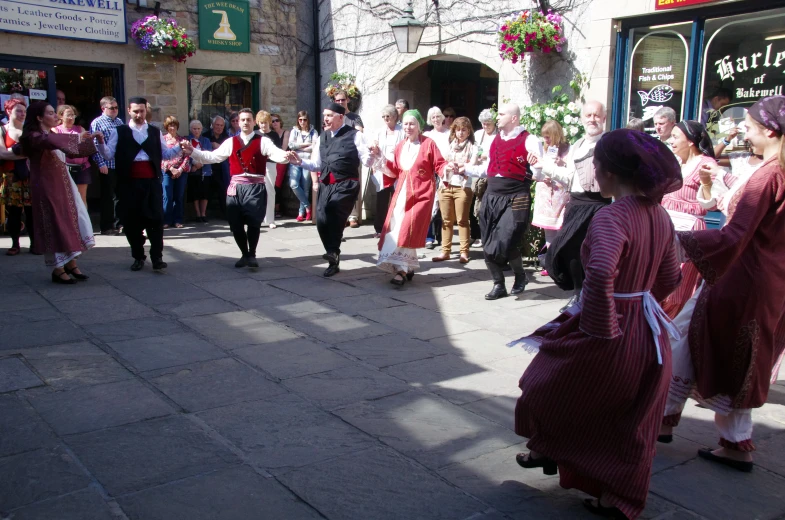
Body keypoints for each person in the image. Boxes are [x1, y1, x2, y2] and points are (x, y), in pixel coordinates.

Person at [511, 128, 683, 520]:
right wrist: (641, 300)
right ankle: (555, 456)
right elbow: (671, 278)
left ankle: (572, 467)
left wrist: (603, 325)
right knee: (627, 414)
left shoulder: (611, 216)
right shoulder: (659, 215)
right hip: (645, 329)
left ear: (605, 171)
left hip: (610, 327)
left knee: (543, 385)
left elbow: (603, 270)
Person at [660, 96, 785, 473]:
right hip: (760, 277)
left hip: (742, 278)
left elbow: (736, 234)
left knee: (730, 352)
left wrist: (679, 242)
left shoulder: (768, 175)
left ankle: (725, 440)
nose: (741, 131)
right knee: (692, 337)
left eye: (748, 126)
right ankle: (667, 418)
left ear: (770, 130)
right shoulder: (773, 170)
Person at [183, 108, 291, 268]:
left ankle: (252, 254)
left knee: (254, 222)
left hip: (255, 187)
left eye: (249, 119)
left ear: (254, 122)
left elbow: (275, 153)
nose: (246, 122)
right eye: (243, 120)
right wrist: (193, 152)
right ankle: (244, 254)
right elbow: (213, 157)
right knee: (236, 224)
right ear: (238, 123)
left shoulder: (263, 141)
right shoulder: (230, 142)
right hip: (235, 188)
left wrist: (286, 156)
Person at [96, 97, 184, 272]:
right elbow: (108, 155)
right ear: (129, 111)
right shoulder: (119, 131)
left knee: (156, 221)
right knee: (132, 223)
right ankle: (138, 256)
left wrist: (181, 148)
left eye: (142, 111)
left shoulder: (154, 132)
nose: (139, 114)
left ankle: (157, 258)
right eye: (135, 111)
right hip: (129, 184)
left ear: (146, 111)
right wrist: (99, 143)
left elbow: (165, 154)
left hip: (151, 184)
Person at [464, 103, 542, 299]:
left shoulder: (530, 140)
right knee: (488, 241)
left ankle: (520, 275)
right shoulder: (494, 140)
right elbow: (486, 170)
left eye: (501, 114)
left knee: (506, 239)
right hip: (491, 196)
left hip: (516, 196)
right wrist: (463, 168)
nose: (497, 118)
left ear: (514, 118)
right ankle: (498, 284)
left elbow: (539, 173)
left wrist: (537, 167)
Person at [290, 102, 376, 277]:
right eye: (324, 115)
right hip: (326, 184)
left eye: (329, 115)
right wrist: (300, 162)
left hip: (346, 184)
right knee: (321, 219)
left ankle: (332, 251)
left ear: (340, 117)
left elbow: (366, 160)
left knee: (334, 209)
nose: (325, 119)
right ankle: (333, 255)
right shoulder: (322, 137)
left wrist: (372, 155)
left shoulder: (355, 135)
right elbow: (316, 164)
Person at [19, 102, 99, 284]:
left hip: (62, 183)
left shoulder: (50, 135)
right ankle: (58, 268)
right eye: (50, 113)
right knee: (54, 223)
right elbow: (52, 142)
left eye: (55, 112)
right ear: (39, 118)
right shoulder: (35, 137)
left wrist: (89, 139)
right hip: (46, 186)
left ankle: (71, 264)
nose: (55, 115)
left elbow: (73, 150)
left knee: (70, 220)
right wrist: (79, 137)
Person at [541, 101, 611, 305]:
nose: (592, 119)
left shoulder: (608, 142)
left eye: (596, 116)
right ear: (582, 119)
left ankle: (594, 295)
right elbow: (570, 177)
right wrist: (547, 168)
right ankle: (577, 293)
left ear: (604, 118)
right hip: (576, 203)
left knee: (596, 252)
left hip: (599, 203)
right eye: (588, 115)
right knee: (570, 248)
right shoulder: (578, 145)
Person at [376, 110, 448, 284]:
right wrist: (380, 159)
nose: (408, 127)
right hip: (401, 193)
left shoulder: (428, 144)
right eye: (406, 124)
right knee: (398, 227)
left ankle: (400, 271)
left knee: (406, 227)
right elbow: (395, 170)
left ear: (419, 126)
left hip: (421, 194)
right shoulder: (400, 145)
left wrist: (448, 169)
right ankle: (407, 267)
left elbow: (440, 164)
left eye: (412, 124)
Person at [660, 120, 722, 318]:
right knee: (659, 283)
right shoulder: (676, 162)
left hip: (689, 230)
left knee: (677, 288)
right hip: (667, 229)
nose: (671, 141)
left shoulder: (707, 164)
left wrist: (706, 186)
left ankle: (671, 334)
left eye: (676, 137)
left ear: (691, 141)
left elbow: (713, 203)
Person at [530, 120, 571, 277]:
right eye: (544, 137)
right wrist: (541, 177)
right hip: (547, 196)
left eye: (548, 137)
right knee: (548, 232)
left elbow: (570, 173)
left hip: (560, 196)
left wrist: (561, 164)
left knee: (562, 229)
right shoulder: (544, 150)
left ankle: (560, 263)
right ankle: (550, 262)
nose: (546, 140)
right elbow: (536, 174)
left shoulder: (568, 150)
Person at [433, 116, 476, 264]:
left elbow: (474, 167)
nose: (461, 133)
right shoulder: (449, 145)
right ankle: (445, 251)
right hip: (446, 185)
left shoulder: (473, 147)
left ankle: (464, 252)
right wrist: (448, 166)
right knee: (446, 220)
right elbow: (441, 163)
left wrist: (463, 167)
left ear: (469, 131)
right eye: (458, 130)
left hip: (463, 187)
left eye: (464, 130)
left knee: (462, 221)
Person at [1, 98, 34, 256]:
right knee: (13, 212)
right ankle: (15, 244)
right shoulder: (2, 130)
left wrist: (12, 154)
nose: (22, 114)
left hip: (30, 176)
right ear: (8, 111)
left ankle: (35, 243)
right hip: (11, 178)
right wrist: (26, 154)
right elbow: (1, 153)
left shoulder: (29, 131)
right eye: (18, 111)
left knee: (32, 212)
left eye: (24, 111)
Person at [90, 96, 124, 236]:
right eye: (112, 108)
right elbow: (94, 146)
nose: (115, 110)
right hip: (107, 165)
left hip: (119, 164)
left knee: (120, 196)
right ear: (103, 108)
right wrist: (101, 163)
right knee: (107, 197)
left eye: (116, 107)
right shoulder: (97, 123)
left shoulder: (120, 122)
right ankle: (106, 226)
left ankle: (119, 223)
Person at [332, 89, 364, 228]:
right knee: (339, 187)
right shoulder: (333, 116)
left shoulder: (354, 117)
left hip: (352, 156)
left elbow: (359, 132)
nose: (340, 102)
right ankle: (342, 216)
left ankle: (353, 216)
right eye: (338, 100)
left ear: (348, 100)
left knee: (352, 186)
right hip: (338, 157)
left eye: (342, 100)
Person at [370, 104, 403, 237]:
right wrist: (374, 150)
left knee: (398, 200)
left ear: (395, 117)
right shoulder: (379, 131)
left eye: (388, 116)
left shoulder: (402, 131)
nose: (385, 119)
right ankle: (380, 228)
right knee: (382, 200)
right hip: (383, 169)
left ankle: (397, 227)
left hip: (398, 168)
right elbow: (374, 148)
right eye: (383, 117)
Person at [53, 105, 92, 207]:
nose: (72, 118)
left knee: (81, 197)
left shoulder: (80, 128)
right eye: (68, 115)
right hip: (65, 169)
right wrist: (78, 138)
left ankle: (83, 222)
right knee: (66, 197)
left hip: (82, 168)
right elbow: (61, 145)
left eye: (73, 115)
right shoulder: (56, 130)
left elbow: (86, 146)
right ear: (61, 116)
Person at [423, 107, 450, 249]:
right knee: (431, 205)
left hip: (446, 173)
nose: (436, 119)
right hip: (431, 173)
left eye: (438, 116)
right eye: (432, 117)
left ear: (442, 117)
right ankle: (429, 237)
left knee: (444, 207)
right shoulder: (427, 135)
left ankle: (444, 238)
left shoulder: (450, 134)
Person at [471, 109, 497, 248]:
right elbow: (474, 152)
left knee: (490, 207)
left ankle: (490, 236)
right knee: (478, 206)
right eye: (483, 123)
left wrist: (488, 156)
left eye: (488, 123)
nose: (485, 126)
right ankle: (480, 236)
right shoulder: (478, 134)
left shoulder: (498, 135)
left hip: (491, 174)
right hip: (478, 174)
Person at [160, 115, 191, 229]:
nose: (172, 128)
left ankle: (178, 220)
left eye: (174, 125)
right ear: (166, 127)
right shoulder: (162, 140)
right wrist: (171, 168)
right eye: (170, 125)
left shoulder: (182, 140)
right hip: (167, 171)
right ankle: (166, 220)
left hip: (181, 171)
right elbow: (161, 157)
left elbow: (187, 156)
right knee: (167, 196)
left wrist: (180, 170)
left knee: (179, 196)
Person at [288, 110, 318, 222]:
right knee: (294, 184)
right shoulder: (294, 131)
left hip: (307, 161)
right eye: (300, 120)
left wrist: (298, 146)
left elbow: (315, 146)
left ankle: (302, 213)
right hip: (295, 160)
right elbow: (291, 145)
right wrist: (306, 144)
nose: (302, 122)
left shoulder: (313, 131)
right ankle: (307, 206)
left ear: (308, 120)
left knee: (305, 186)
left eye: (304, 119)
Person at [256, 111, 280, 229]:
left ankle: (270, 219)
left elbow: (277, 151)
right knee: (257, 191)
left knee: (270, 190)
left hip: (270, 165)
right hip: (256, 165)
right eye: (261, 123)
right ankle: (257, 217)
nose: (263, 125)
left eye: (265, 123)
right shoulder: (255, 134)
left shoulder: (274, 135)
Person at [204, 115, 231, 215]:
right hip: (208, 167)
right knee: (207, 190)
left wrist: (218, 147)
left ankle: (225, 213)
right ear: (212, 125)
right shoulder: (206, 136)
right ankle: (204, 214)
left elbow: (229, 152)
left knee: (223, 189)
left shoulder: (226, 138)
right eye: (217, 125)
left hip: (221, 168)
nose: (219, 127)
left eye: (221, 125)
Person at [187, 120, 212, 223]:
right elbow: (186, 153)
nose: (196, 131)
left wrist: (199, 164)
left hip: (205, 170)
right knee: (195, 193)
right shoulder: (187, 140)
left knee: (204, 193)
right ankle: (198, 214)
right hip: (193, 171)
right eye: (194, 128)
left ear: (201, 129)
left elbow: (208, 153)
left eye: (198, 129)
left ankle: (203, 213)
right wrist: (193, 164)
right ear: (190, 129)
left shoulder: (205, 140)